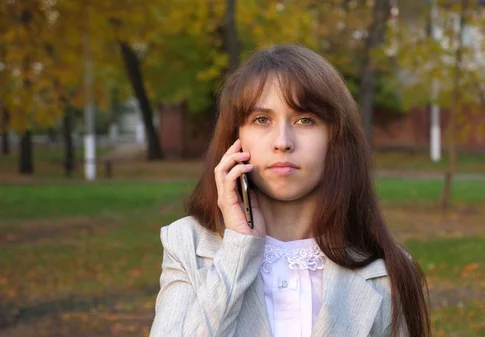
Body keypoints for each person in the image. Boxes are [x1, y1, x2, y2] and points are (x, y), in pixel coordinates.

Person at [149, 44, 430, 337]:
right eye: (262, 120)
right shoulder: (187, 246)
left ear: (335, 139)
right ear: (235, 139)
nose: (282, 142)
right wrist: (237, 253)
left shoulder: (388, 271)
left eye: (305, 120)